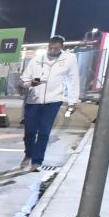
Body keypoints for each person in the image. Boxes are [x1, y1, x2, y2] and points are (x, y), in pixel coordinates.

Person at [17, 35, 81, 171]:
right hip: (33, 100)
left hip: (53, 101)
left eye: (55, 48)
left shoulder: (69, 59)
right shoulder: (36, 59)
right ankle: (28, 154)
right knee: (30, 131)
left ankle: (37, 161)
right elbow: (24, 79)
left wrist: (73, 101)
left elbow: (73, 80)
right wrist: (30, 83)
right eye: (50, 48)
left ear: (61, 47)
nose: (52, 50)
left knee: (44, 132)